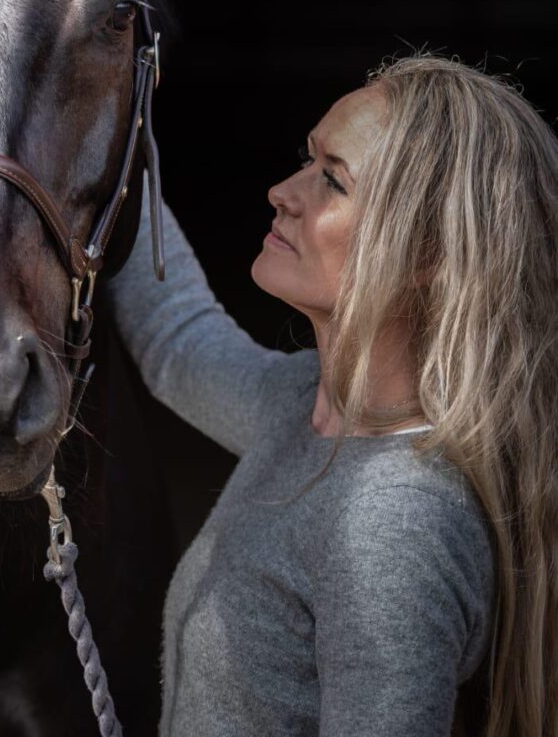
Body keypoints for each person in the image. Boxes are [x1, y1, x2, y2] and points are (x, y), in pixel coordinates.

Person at [108, 53, 558, 737]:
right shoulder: (305, 407)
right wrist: (97, 142)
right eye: (307, 159)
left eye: (333, 180)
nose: (282, 192)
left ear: (428, 256)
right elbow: (177, 341)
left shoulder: (395, 523)